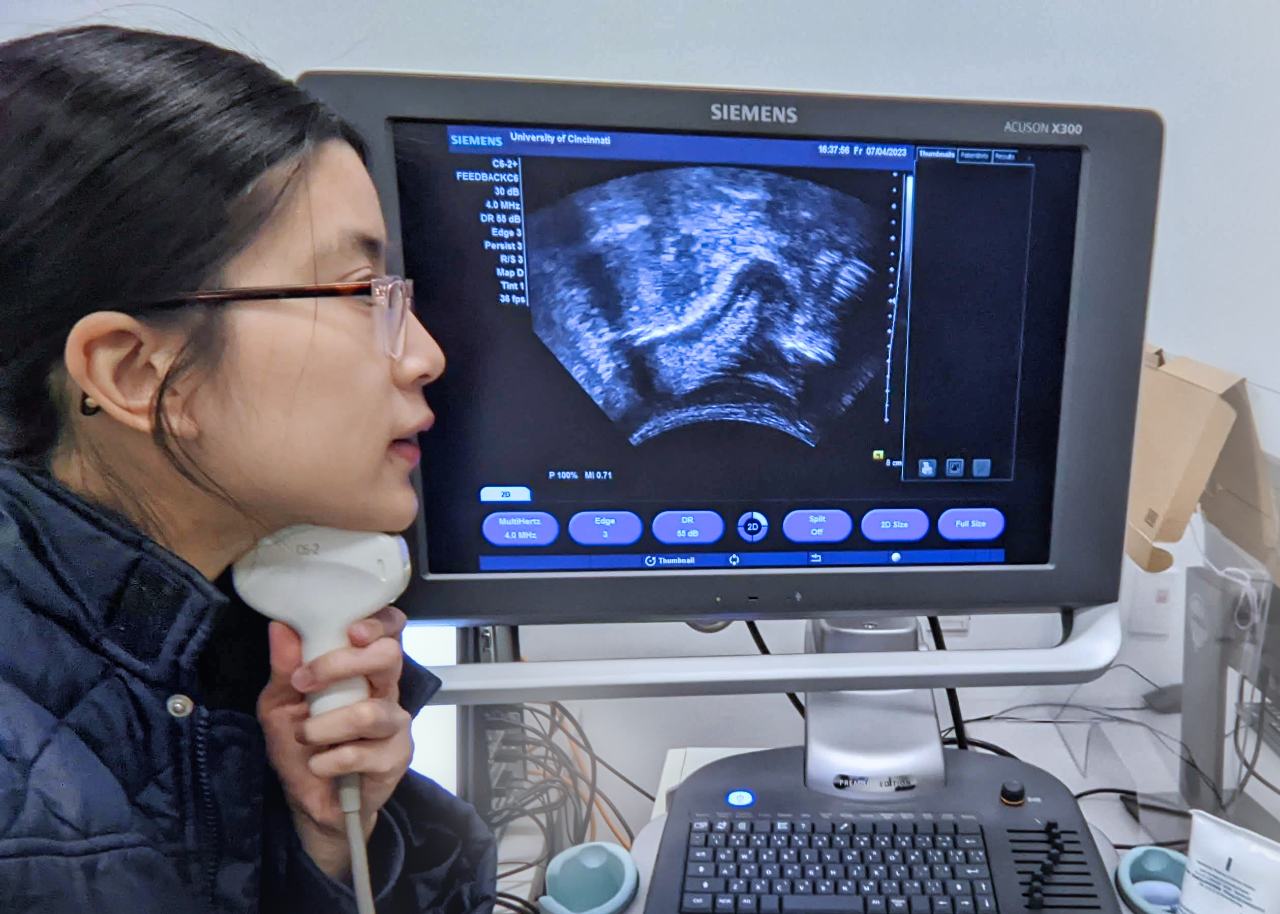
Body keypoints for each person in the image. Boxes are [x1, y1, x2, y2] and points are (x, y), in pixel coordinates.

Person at [0, 24, 496, 914]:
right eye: (360, 295)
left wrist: (320, 846)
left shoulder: (220, 668)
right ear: (134, 373)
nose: (425, 356)